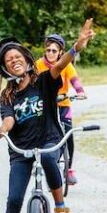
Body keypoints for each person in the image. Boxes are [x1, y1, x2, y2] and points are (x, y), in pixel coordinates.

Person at [0, 19, 95, 213]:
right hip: (21, 151)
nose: (14, 61)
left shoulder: (45, 80)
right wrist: (1, 129)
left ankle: (61, 210)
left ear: (27, 59)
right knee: (14, 200)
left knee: (48, 158)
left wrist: (76, 47)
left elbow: (60, 64)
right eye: (8, 60)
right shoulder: (7, 95)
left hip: (48, 139)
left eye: (17, 56)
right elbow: (9, 119)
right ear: (4, 68)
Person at [34, 33, 86, 185]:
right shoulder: (38, 65)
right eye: (48, 50)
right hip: (45, 104)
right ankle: (41, 162)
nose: (50, 53)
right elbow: (32, 82)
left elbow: (74, 80)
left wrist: (80, 91)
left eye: (54, 51)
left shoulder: (66, 64)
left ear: (60, 52)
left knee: (68, 133)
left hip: (63, 104)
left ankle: (69, 169)